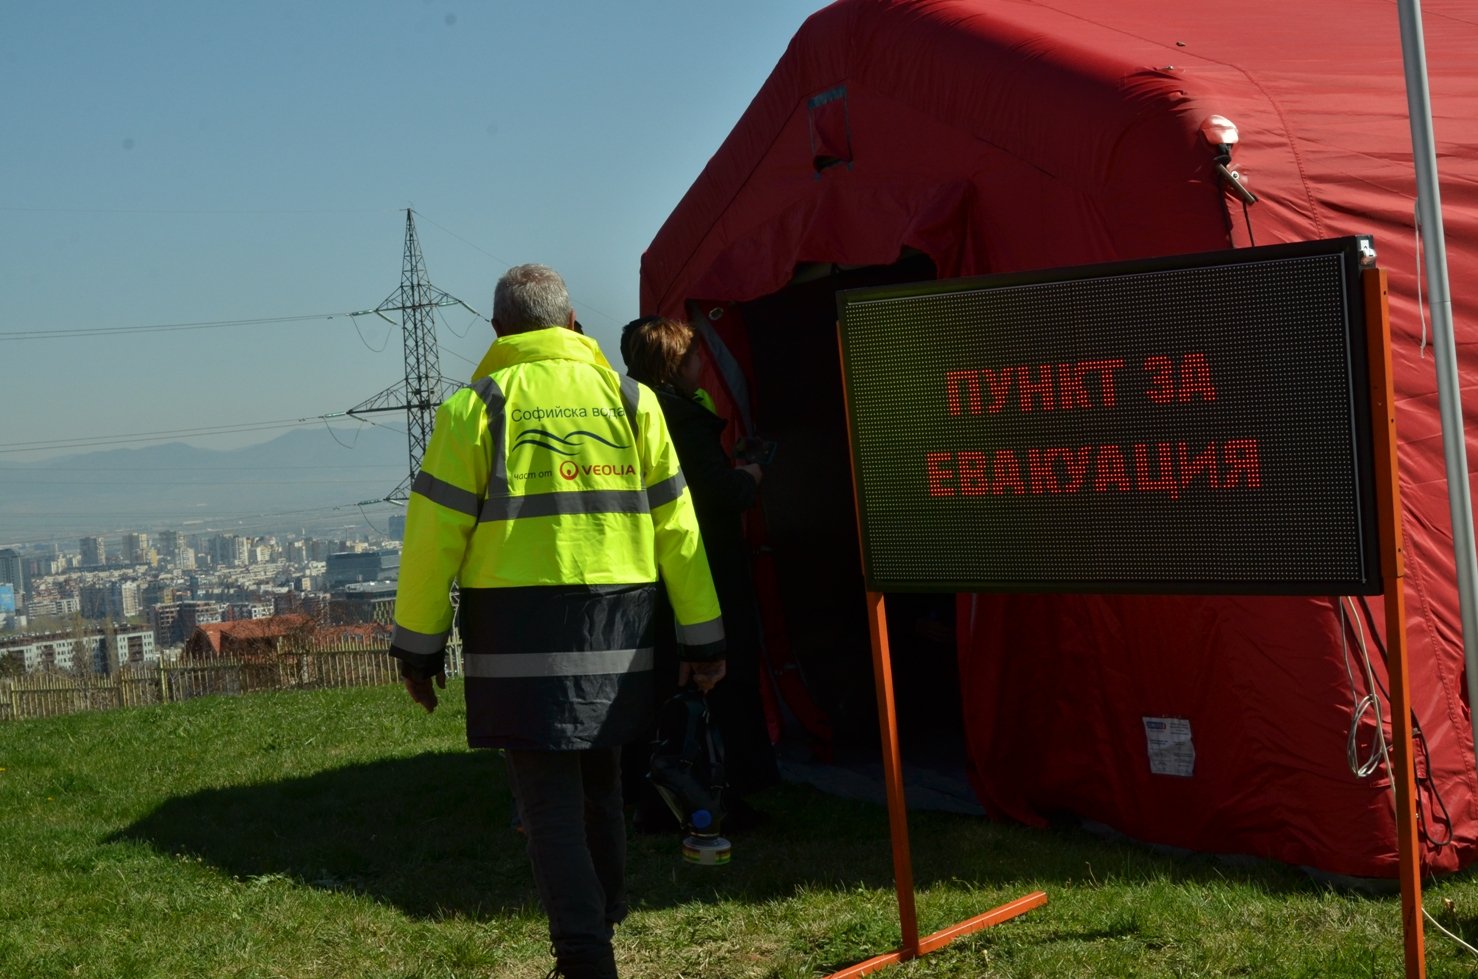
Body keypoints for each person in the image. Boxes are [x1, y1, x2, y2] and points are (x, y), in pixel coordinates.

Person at [389, 265, 726, 979]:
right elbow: (678, 528)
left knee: (545, 801)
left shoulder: (473, 408)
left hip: (518, 639)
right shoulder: (633, 400)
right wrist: (703, 637)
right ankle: (603, 918)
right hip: (622, 627)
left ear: (498, 331)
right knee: (602, 782)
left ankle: (584, 957)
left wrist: (417, 652)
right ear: (574, 324)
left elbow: (431, 540)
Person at [620, 317, 780, 832]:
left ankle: (654, 795)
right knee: (717, 682)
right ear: (675, 365)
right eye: (693, 359)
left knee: (663, 688)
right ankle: (714, 793)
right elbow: (719, 495)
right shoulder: (682, 420)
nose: (701, 367)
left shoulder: (627, 414)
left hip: (647, 576)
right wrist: (752, 473)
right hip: (702, 568)